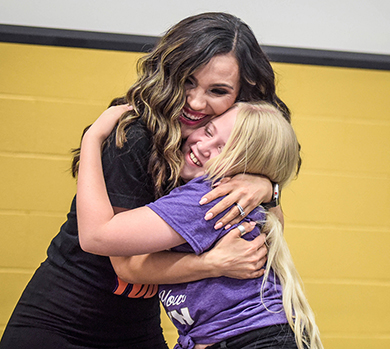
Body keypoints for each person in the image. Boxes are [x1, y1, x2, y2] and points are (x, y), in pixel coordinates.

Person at [0, 12, 293, 349]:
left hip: (138, 323)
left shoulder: (222, 149)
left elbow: (271, 231)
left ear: (242, 94)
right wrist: (211, 263)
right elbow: (124, 263)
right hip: (65, 319)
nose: (196, 102)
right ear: (169, 73)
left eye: (218, 90)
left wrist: (266, 188)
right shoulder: (137, 135)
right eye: (187, 81)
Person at [76, 101, 322, 349]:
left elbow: (95, 236)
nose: (203, 147)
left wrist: (92, 139)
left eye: (222, 149)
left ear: (247, 168)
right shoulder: (240, 196)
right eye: (208, 131)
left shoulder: (208, 198)